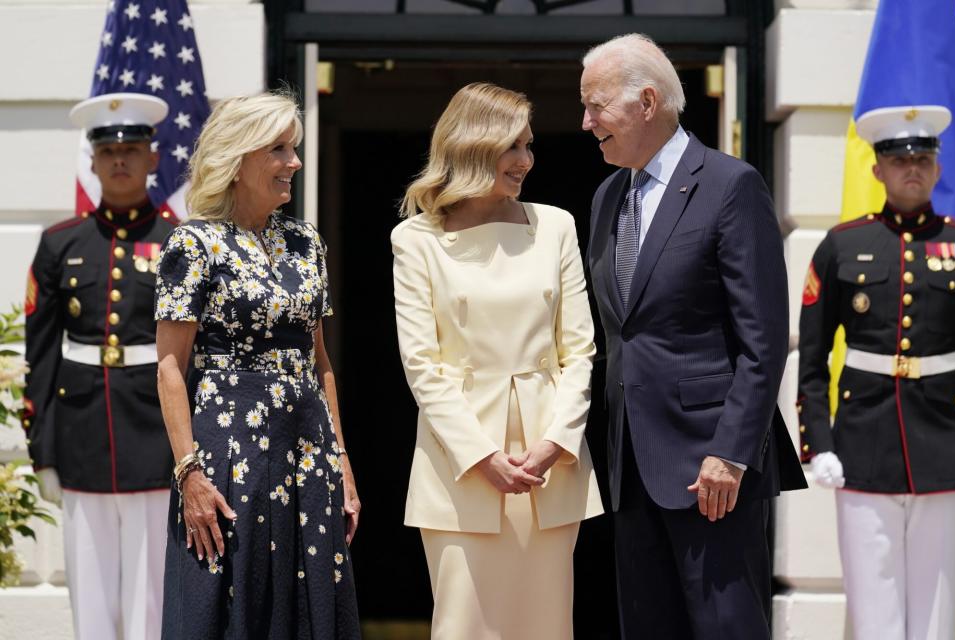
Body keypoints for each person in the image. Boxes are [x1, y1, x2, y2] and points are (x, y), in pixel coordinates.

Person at [580, 34, 807, 639]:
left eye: (596, 106)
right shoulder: (607, 197)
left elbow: (763, 339)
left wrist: (730, 454)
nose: (585, 122)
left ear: (647, 101)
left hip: (712, 472)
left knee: (726, 628)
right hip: (631, 466)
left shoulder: (731, 185)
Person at [392, 82, 604, 640]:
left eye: (529, 146)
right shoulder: (415, 240)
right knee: (466, 626)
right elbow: (422, 366)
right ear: (474, 144)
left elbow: (579, 349)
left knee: (546, 626)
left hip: (548, 471)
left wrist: (558, 442)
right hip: (460, 473)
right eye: (513, 146)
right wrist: (482, 456)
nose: (526, 161)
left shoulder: (556, 224)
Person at [154, 92, 360, 638]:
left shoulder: (305, 241)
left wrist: (341, 460)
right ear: (238, 158)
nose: (294, 162)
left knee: (308, 607)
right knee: (230, 603)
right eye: (279, 149)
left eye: (293, 148)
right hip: (228, 454)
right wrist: (189, 474)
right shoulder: (193, 244)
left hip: (307, 448)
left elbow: (321, 363)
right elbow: (170, 368)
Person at [798, 105, 955, 640]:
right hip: (863, 447)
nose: (911, 168)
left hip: (946, 450)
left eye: (921, 158)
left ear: (938, 169)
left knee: (937, 618)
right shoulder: (843, 245)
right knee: (874, 613)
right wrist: (818, 443)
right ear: (878, 170)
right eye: (898, 160)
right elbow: (814, 357)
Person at [22, 92, 177, 640]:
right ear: (91, 160)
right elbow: (39, 354)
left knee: (151, 596)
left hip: (158, 436)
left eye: (132, 150)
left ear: (154, 159)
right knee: (88, 594)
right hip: (82, 433)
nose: (119, 160)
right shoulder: (60, 243)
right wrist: (42, 447)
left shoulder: (179, 242)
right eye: (108, 151)